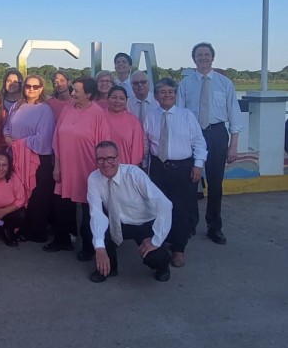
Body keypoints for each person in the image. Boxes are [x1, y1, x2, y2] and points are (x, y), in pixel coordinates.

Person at [176, 42, 243, 246]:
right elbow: (179, 113)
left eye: (206, 55)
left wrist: (233, 145)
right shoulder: (185, 84)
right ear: (193, 59)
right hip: (193, 134)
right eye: (199, 55)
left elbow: (234, 115)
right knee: (190, 181)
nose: (203, 58)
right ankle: (189, 223)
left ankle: (214, 226)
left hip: (217, 133)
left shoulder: (225, 83)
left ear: (212, 58)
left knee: (215, 183)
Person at [86, 141, 173, 283]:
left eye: (110, 158)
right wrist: (100, 249)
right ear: (96, 161)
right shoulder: (93, 178)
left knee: (154, 256)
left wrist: (156, 240)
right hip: (117, 221)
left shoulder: (134, 174)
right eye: (101, 159)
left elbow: (165, 204)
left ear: (118, 158)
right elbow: (96, 213)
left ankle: (163, 266)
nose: (106, 163)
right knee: (97, 233)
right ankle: (108, 268)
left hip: (144, 222)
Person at [144, 78, 207, 268]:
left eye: (171, 92)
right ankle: (161, 244)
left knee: (181, 210)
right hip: (158, 168)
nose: (167, 95)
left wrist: (198, 165)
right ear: (156, 96)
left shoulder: (187, 115)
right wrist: (144, 170)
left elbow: (199, 142)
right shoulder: (151, 116)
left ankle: (179, 249)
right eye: (163, 92)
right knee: (159, 209)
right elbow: (146, 145)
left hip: (182, 169)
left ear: (176, 95)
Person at [50, 76, 111, 259]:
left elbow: (104, 145)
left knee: (88, 210)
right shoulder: (68, 109)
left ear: (89, 94)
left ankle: (89, 247)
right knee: (62, 206)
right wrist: (57, 165)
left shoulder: (98, 113)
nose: (73, 93)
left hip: (88, 169)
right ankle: (62, 240)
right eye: (73, 89)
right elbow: (57, 138)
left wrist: (102, 172)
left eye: (77, 90)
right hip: (66, 167)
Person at [3, 74, 56, 243]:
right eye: (28, 86)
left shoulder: (45, 110)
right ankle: (21, 228)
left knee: (37, 196)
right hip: (17, 157)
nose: (31, 89)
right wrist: (7, 138)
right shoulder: (17, 106)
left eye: (35, 86)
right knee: (20, 193)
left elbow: (44, 138)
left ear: (41, 89)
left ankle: (37, 232)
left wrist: (18, 142)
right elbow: (7, 127)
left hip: (37, 159)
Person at [104, 86, 145, 166]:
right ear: (107, 99)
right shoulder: (99, 117)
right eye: (114, 97)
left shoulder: (133, 121)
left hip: (125, 169)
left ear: (126, 101)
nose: (117, 101)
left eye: (121, 98)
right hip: (101, 167)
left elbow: (137, 152)